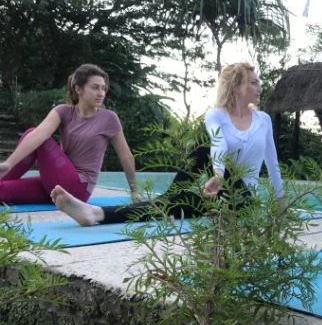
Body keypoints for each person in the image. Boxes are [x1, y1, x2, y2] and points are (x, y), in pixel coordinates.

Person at [50, 61, 283, 226]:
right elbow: (218, 144)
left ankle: (166, 198)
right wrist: (219, 175)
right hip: (218, 194)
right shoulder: (216, 115)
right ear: (236, 87)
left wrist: (281, 205)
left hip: (243, 199)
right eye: (254, 82)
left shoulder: (263, 120)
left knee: (201, 166)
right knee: (177, 199)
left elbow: (272, 165)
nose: (260, 87)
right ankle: (96, 213)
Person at [0, 64, 136, 204]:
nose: (101, 93)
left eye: (103, 88)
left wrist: (134, 190)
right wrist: (9, 164)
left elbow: (126, 156)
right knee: (2, 190)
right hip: (55, 182)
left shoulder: (109, 118)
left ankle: (6, 170)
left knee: (36, 136)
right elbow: (39, 133)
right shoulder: (64, 112)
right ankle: (3, 174)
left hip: (78, 188)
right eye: (95, 87)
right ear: (78, 89)